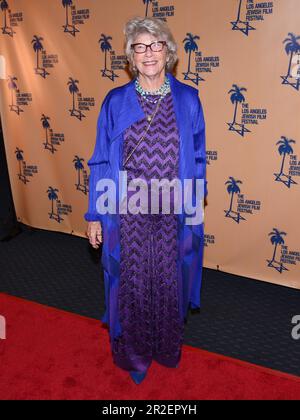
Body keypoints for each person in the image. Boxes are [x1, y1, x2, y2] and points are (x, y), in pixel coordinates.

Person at [85, 16, 207, 385]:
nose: (149, 53)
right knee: (134, 282)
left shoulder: (188, 99)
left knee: (170, 280)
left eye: (155, 45)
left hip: (173, 209)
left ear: (168, 52)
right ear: (130, 57)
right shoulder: (116, 101)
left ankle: (166, 346)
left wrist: (194, 205)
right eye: (140, 47)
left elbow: (199, 157)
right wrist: (94, 212)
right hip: (128, 210)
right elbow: (101, 159)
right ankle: (134, 352)